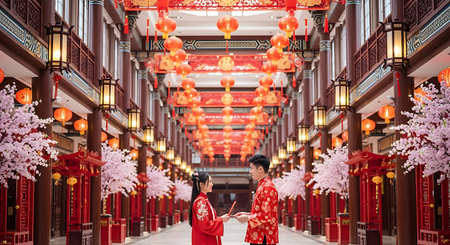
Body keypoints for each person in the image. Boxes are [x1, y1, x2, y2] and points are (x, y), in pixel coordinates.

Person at [235, 154, 279, 245]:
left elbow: (266, 215)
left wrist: (247, 218)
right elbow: (261, 211)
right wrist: (246, 214)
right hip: (259, 235)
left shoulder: (267, 187)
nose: (250, 171)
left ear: (260, 169)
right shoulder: (262, 185)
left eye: (251, 168)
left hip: (264, 236)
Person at [190, 171, 230, 245]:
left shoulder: (204, 200)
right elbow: (205, 225)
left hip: (207, 238)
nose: (212, 184)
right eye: (210, 181)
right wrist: (221, 219)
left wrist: (221, 219)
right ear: (201, 184)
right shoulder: (200, 202)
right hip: (205, 241)